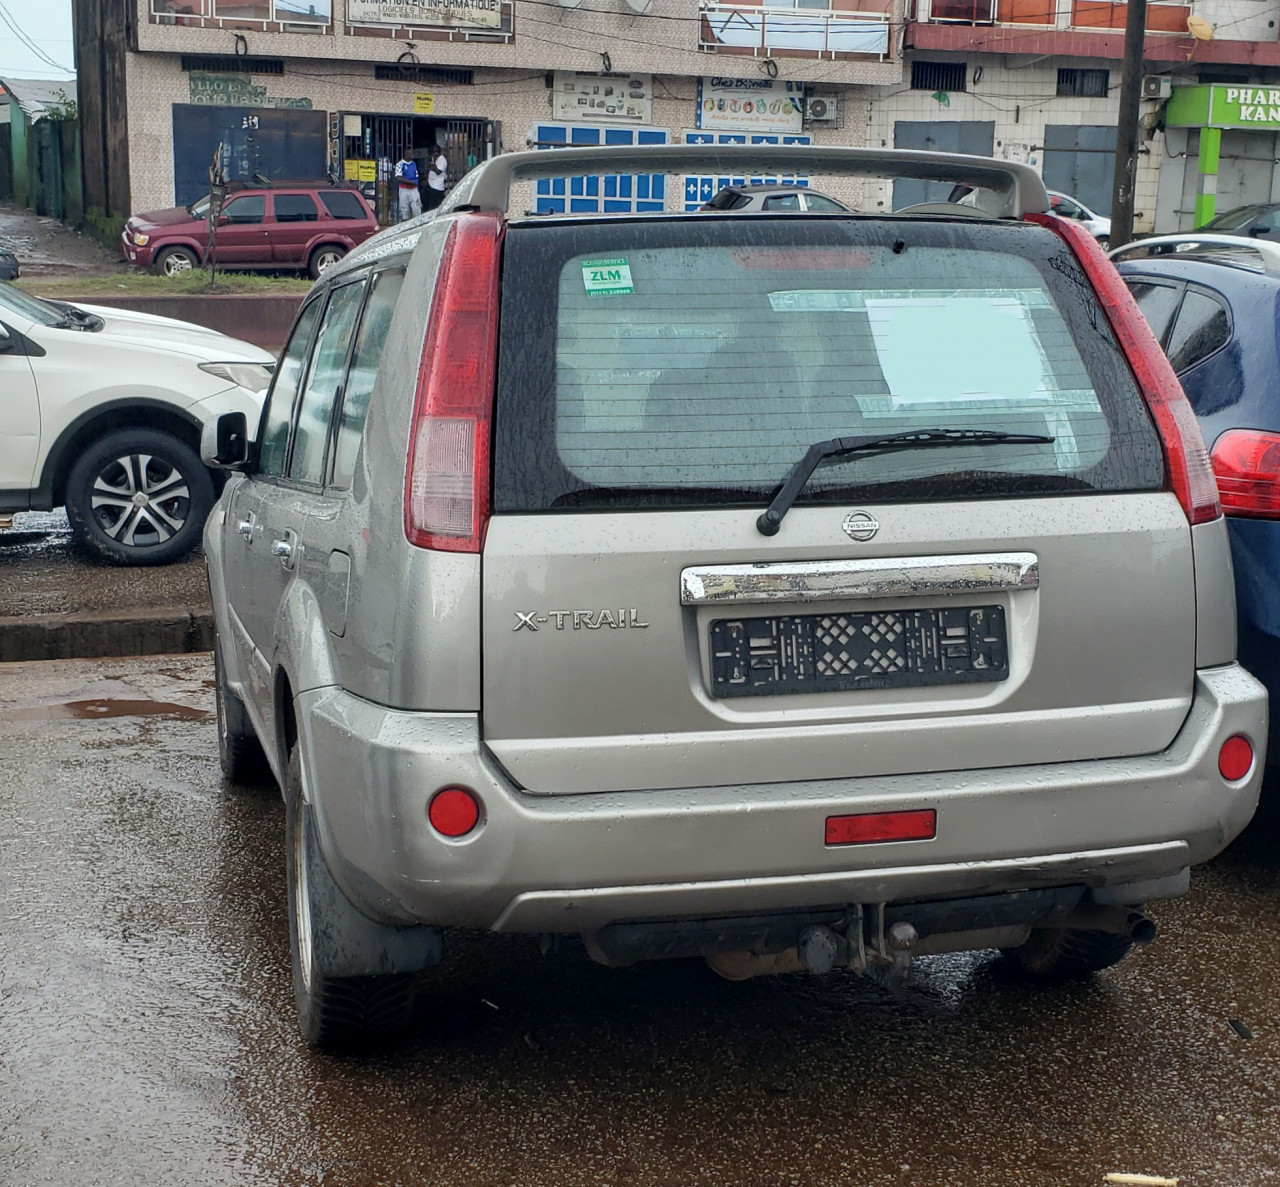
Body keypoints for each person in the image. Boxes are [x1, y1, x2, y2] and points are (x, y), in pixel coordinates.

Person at [393, 149, 421, 222]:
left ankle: (417, 223)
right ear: (406, 155)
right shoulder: (400, 164)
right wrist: (411, 182)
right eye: (411, 154)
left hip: (414, 189)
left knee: (416, 207)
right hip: (404, 189)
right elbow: (399, 178)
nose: (412, 156)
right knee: (404, 209)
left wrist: (414, 182)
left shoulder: (413, 164)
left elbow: (416, 175)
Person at [424, 144, 448, 211]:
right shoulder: (436, 160)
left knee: (434, 207)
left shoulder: (442, 160)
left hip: (437, 187)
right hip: (432, 185)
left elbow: (438, 172)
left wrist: (432, 163)